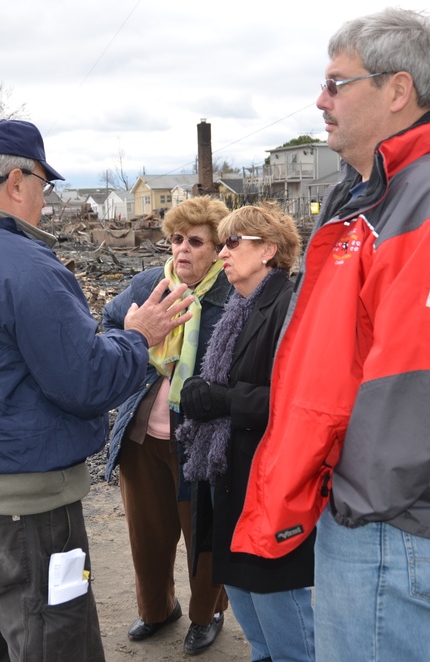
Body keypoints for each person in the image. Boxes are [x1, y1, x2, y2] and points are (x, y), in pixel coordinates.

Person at [230, 8, 430, 661]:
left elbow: (428, 380)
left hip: (391, 517)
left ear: (396, 90)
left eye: (337, 83)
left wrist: (356, 498)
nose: (320, 99)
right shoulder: (370, 195)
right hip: (365, 502)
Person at [0, 119, 195, 662]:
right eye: (43, 187)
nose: (45, 202)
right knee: (56, 641)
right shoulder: (25, 266)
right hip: (21, 504)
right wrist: (137, 338)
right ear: (15, 181)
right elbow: (85, 382)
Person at [177, 204, 314, 662]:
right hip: (228, 470)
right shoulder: (237, 307)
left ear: (269, 251)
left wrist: (220, 399)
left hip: (269, 480)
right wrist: (204, 390)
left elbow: (298, 400)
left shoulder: (290, 307)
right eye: (222, 243)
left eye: (234, 242)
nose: (223, 251)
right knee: (245, 601)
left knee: (277, 605)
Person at [102, 196, 231, 656]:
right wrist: (140, 346)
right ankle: (157, 610)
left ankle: (206, 613)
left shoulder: (231, 293)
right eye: (176, 239)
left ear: (218, 248)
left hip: (199, 438)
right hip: (142, 436)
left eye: (195, 241)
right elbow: (109, 324)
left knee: (204, 535)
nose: (182, 250)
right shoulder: (149, 283)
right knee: (148, 534)